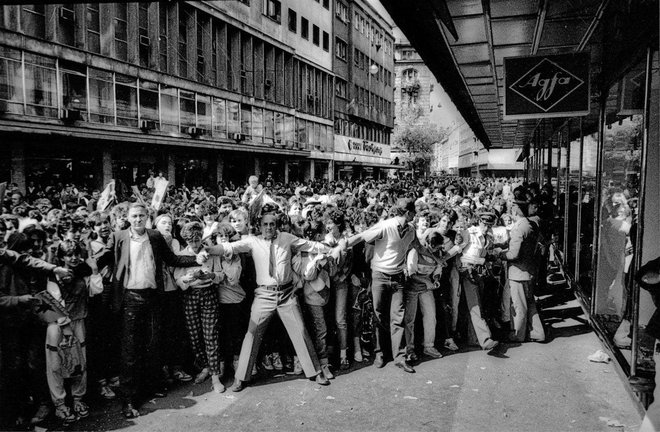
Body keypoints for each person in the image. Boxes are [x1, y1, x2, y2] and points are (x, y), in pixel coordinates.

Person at [207, 212, 342, 391]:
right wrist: (207, 250)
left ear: (276, 225)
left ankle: (315, 372)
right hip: (264, 295)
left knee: (300, 331)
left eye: (272, 224)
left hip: (286, 294)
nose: (269, 227)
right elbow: (227, 248)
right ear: (259, 225)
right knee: (252, 334)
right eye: (265, 224)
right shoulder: (252, 241)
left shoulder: (286, 238)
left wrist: (330, 248)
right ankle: (241, 377)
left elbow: (309, 245)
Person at [95, 203, 207, 419]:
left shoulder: (155, 236)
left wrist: (195, 259)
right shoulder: (119, 237)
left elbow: (172, 259)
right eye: (134, 216)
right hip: (130, 298)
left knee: (152, 344)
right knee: (130, 349)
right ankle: (128, 399)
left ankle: (149, 387)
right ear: (128, 217)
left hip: (153, 297)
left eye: (141, 216)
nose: (138, 220)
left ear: (147, 217)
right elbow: (102, 259)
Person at [345, 198, 418, 373]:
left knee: (397, 317)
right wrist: (342, 245)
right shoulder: (385, 226)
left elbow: (415, 246)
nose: (415, 215)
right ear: (408, 213)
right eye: (413, 212)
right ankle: (379, 353)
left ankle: (399, 357)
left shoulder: (411, 230)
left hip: (398, 277)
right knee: (378, 316)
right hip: (379, 276)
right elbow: (362, 237)